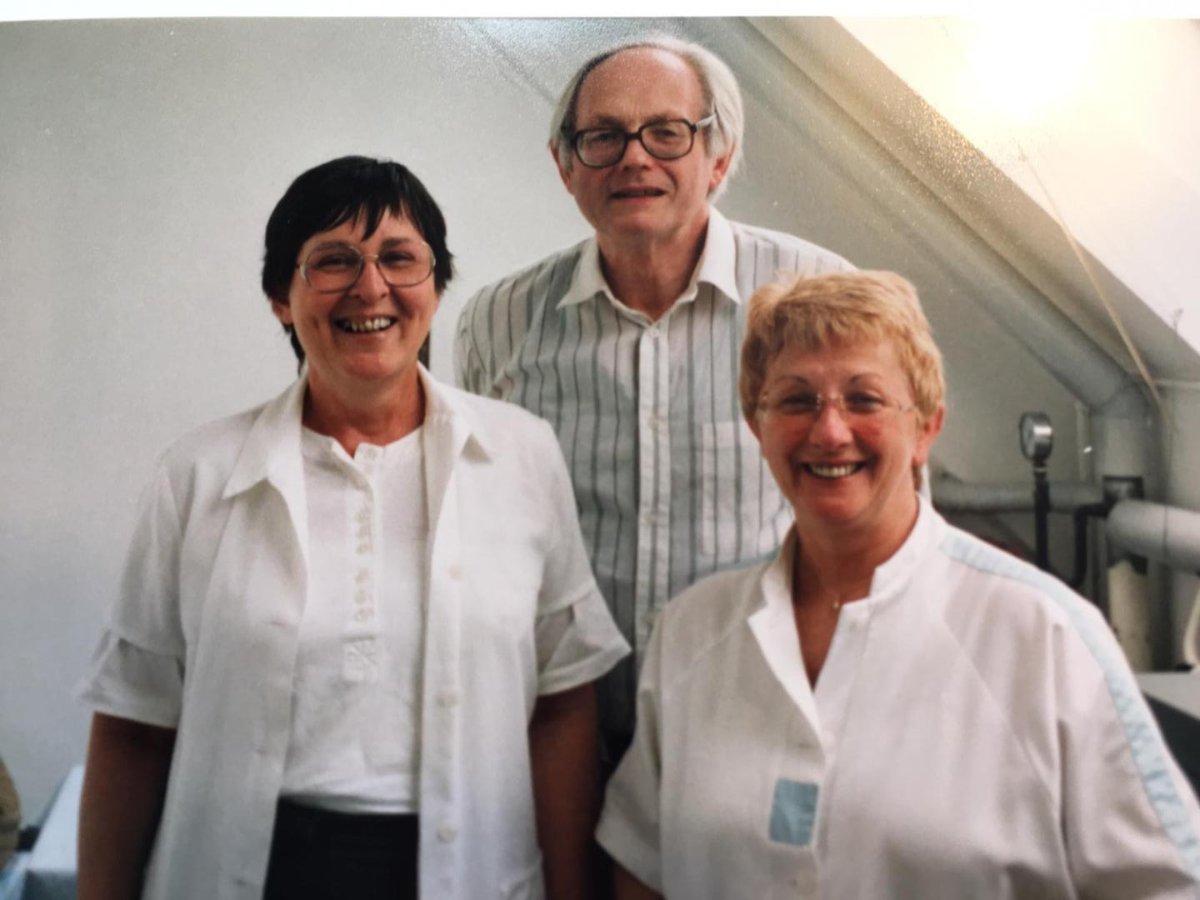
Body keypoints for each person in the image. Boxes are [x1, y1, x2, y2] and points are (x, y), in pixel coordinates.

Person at [75, 155, 629, 900]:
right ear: (282, 297)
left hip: (467, 871)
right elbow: (134, 726)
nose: (371, 288)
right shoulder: (198, 474)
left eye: (400, 258)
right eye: (334, 261)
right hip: (256, 873)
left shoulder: (521, 455)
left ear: (436, 287)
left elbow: (562, 707)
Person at [596, 271, 1200, 899]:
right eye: (798, 401)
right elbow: (643, 862)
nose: (830, 432)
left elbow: (1166, 886)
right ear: (758, 425)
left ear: (926, 428)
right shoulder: (693, 630)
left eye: (864, 400)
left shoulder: (1043, 634)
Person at [455, 36, 851, 757]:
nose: (634, 158)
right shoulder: (498, 321)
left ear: (719, 158)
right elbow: (480, 537)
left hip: (765, 732)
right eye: (603, 136)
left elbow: (889, 519)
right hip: (563, 738)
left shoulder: (821, 295)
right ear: (565, 166)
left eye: (667, 132)